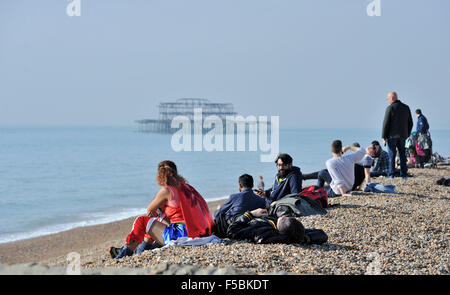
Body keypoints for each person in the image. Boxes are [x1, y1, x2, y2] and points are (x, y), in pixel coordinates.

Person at [111, 160, 215, 259]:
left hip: (181, 234)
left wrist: (160, 211)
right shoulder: (186, 187)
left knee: (142, 221)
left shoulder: (166, 190)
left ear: (160, 174)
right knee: (153, 221)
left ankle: (123, 255)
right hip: (196, 231)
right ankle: (139, 252)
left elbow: (149, 209)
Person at [223, 208, 328, 245]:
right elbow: (322, 235)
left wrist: (251, 214)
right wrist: (302, 239)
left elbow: (231, 231)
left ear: (282, 219)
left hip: (228, 222)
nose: (283, 216)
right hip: (259, 218)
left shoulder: (260, 230)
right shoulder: (295, 233)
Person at [382, 91, 413, 179]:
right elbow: (410, 123)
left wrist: (383, 136)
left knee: (392, 155)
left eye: (388, 99)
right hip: (403, 136)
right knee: (402, 155)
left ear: (392, 98)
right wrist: (407, 134)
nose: (388, 100)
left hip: (392, 136)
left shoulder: (390, 108)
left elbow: (386, 124)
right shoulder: (406, 108)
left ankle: (391, 175)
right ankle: (404, 175)